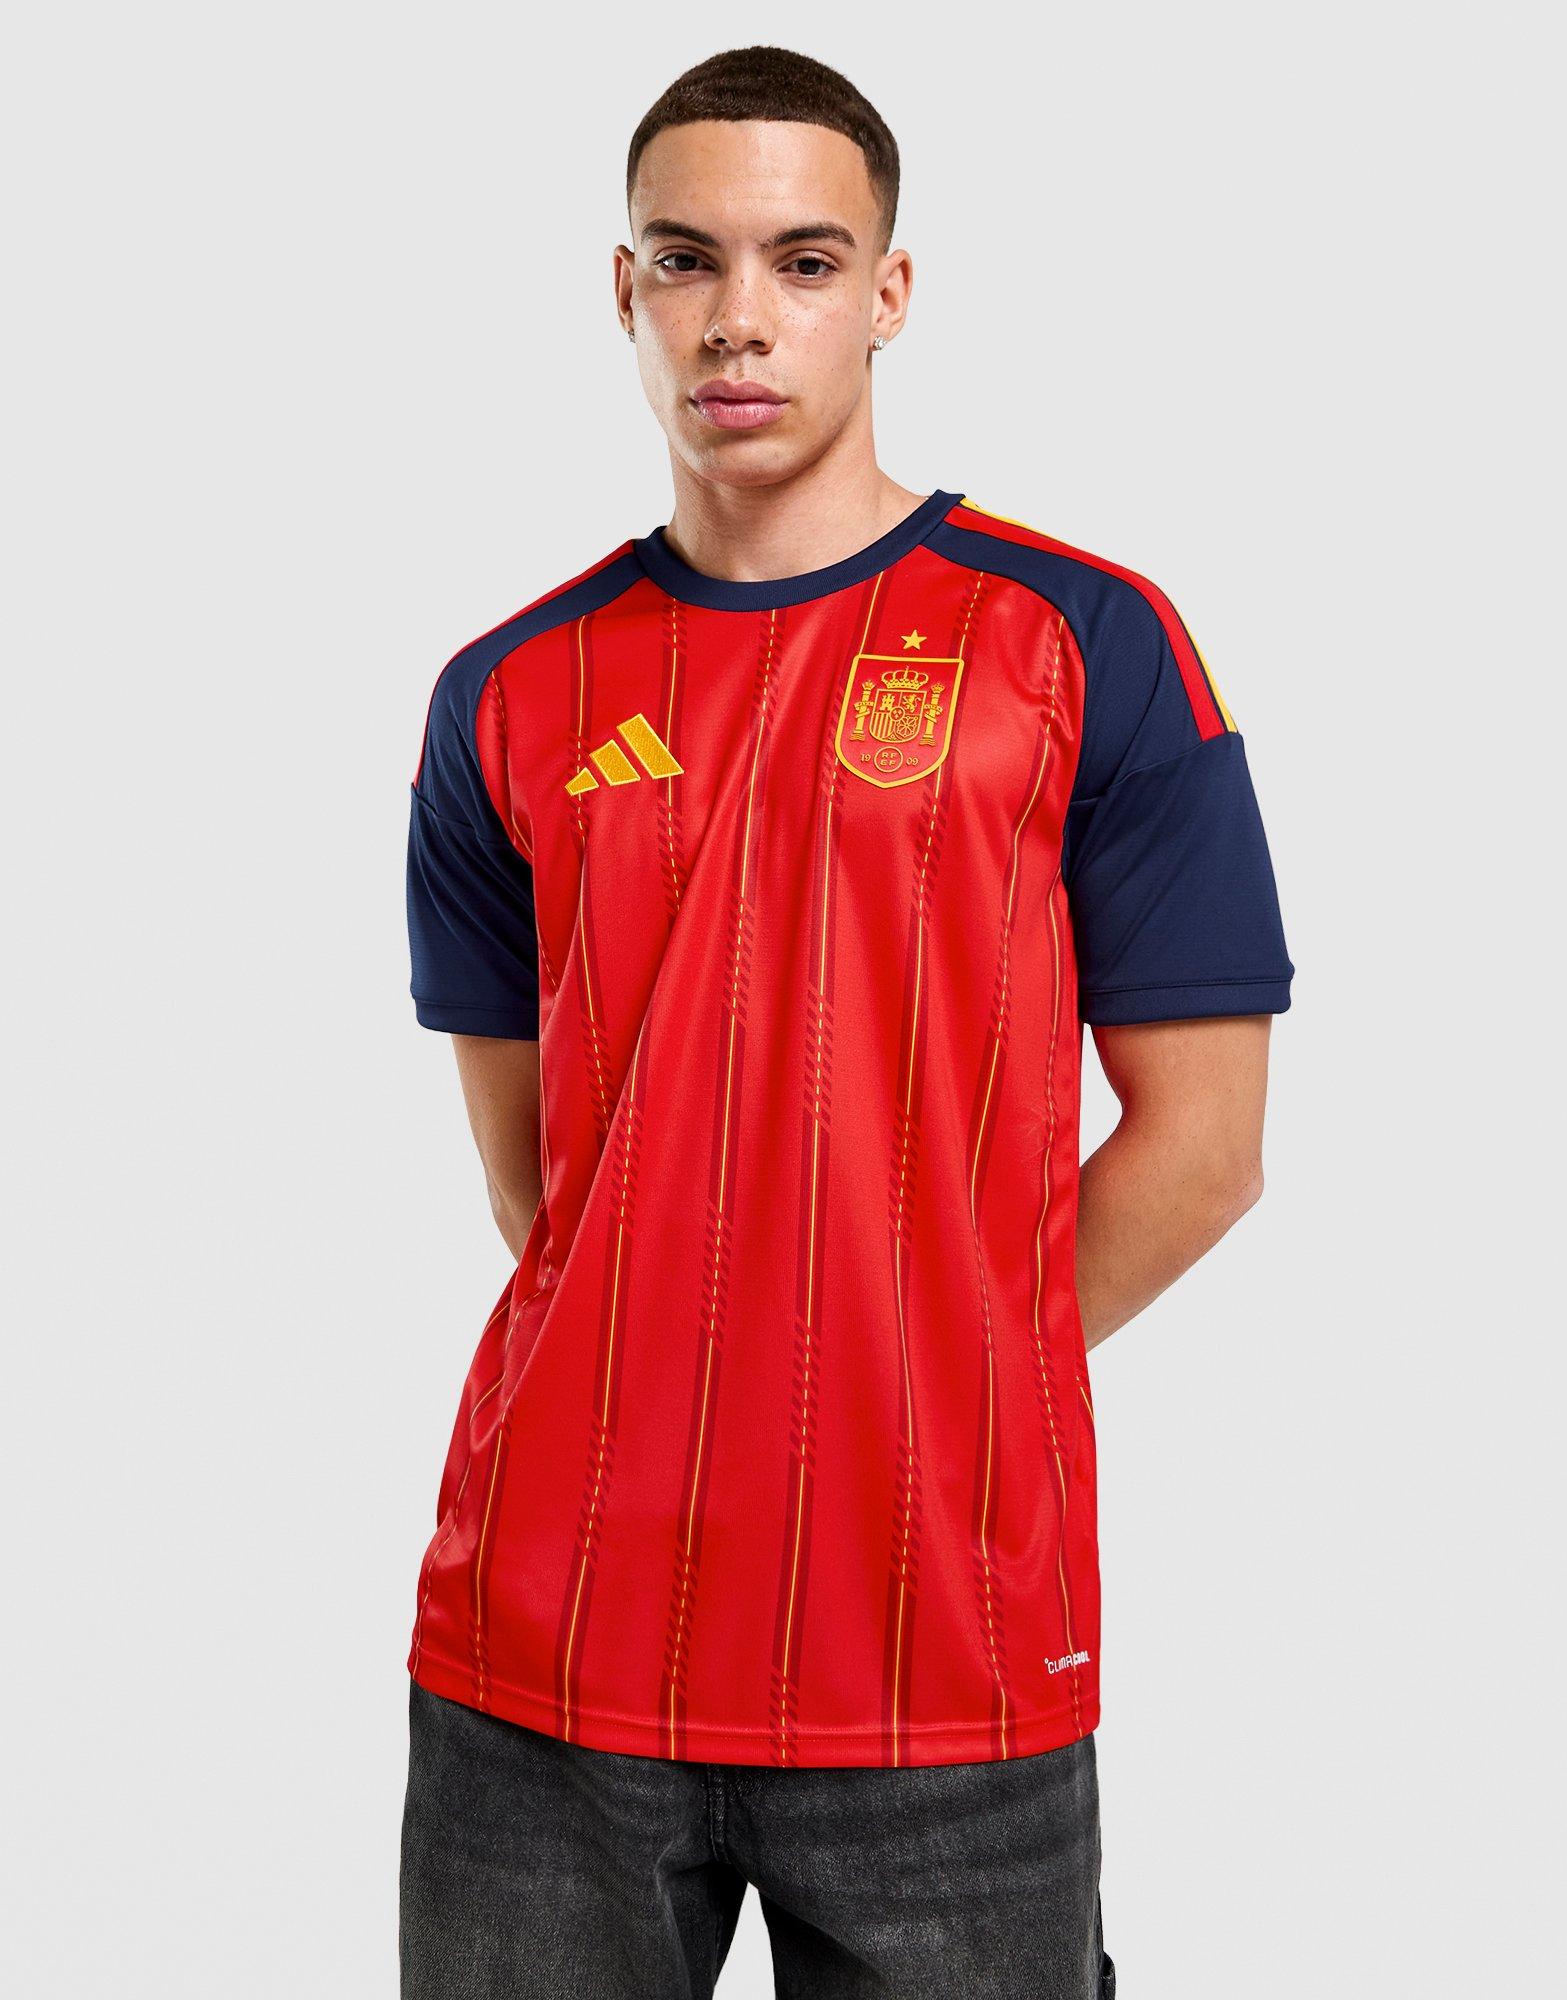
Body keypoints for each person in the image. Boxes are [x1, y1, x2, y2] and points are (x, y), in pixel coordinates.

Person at [398, 42, 1292, 2000]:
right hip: (544, 1654)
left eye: (803, 262)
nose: (740, 317)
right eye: (685, 259)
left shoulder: (1085, 644)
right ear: (623, 292)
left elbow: (1206, 1152)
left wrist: (930, 1375)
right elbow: (545, 1189)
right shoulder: (507, 693)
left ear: (887, 292)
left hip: (941, 1658)